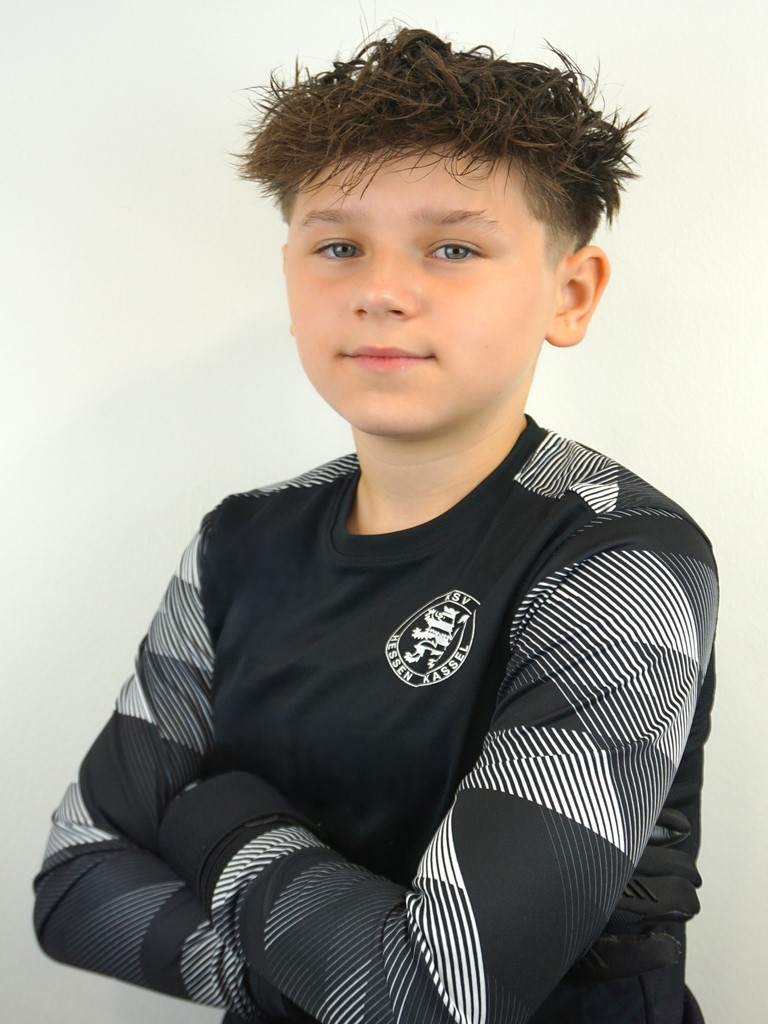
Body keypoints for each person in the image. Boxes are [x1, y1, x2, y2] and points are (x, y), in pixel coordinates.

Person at [33, 27, 717, 1024]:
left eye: (454, 248)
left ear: (570, 295)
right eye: (339, 246)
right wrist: (323, 971)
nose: (380, 291)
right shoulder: (236, 542)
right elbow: (75, 885)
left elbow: (440, 992)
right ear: (291, 274)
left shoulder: (622, 557)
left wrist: (215, 815)